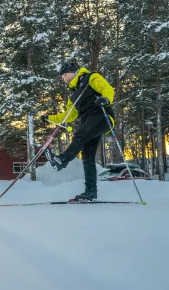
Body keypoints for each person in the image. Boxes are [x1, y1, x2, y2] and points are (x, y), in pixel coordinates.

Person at [43, 62, 115, 201]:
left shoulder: (90, 78)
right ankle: (90, 192)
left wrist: (105, 99)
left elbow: (107, 88)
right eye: (62, 77)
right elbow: (69, 115)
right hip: (88, 121)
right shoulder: (74, 93)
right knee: (87, 157)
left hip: (101, 115)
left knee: (80, 134)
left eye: (65, 75)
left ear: (72, 71)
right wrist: (50, 118)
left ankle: (63, 159)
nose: (64, 79)